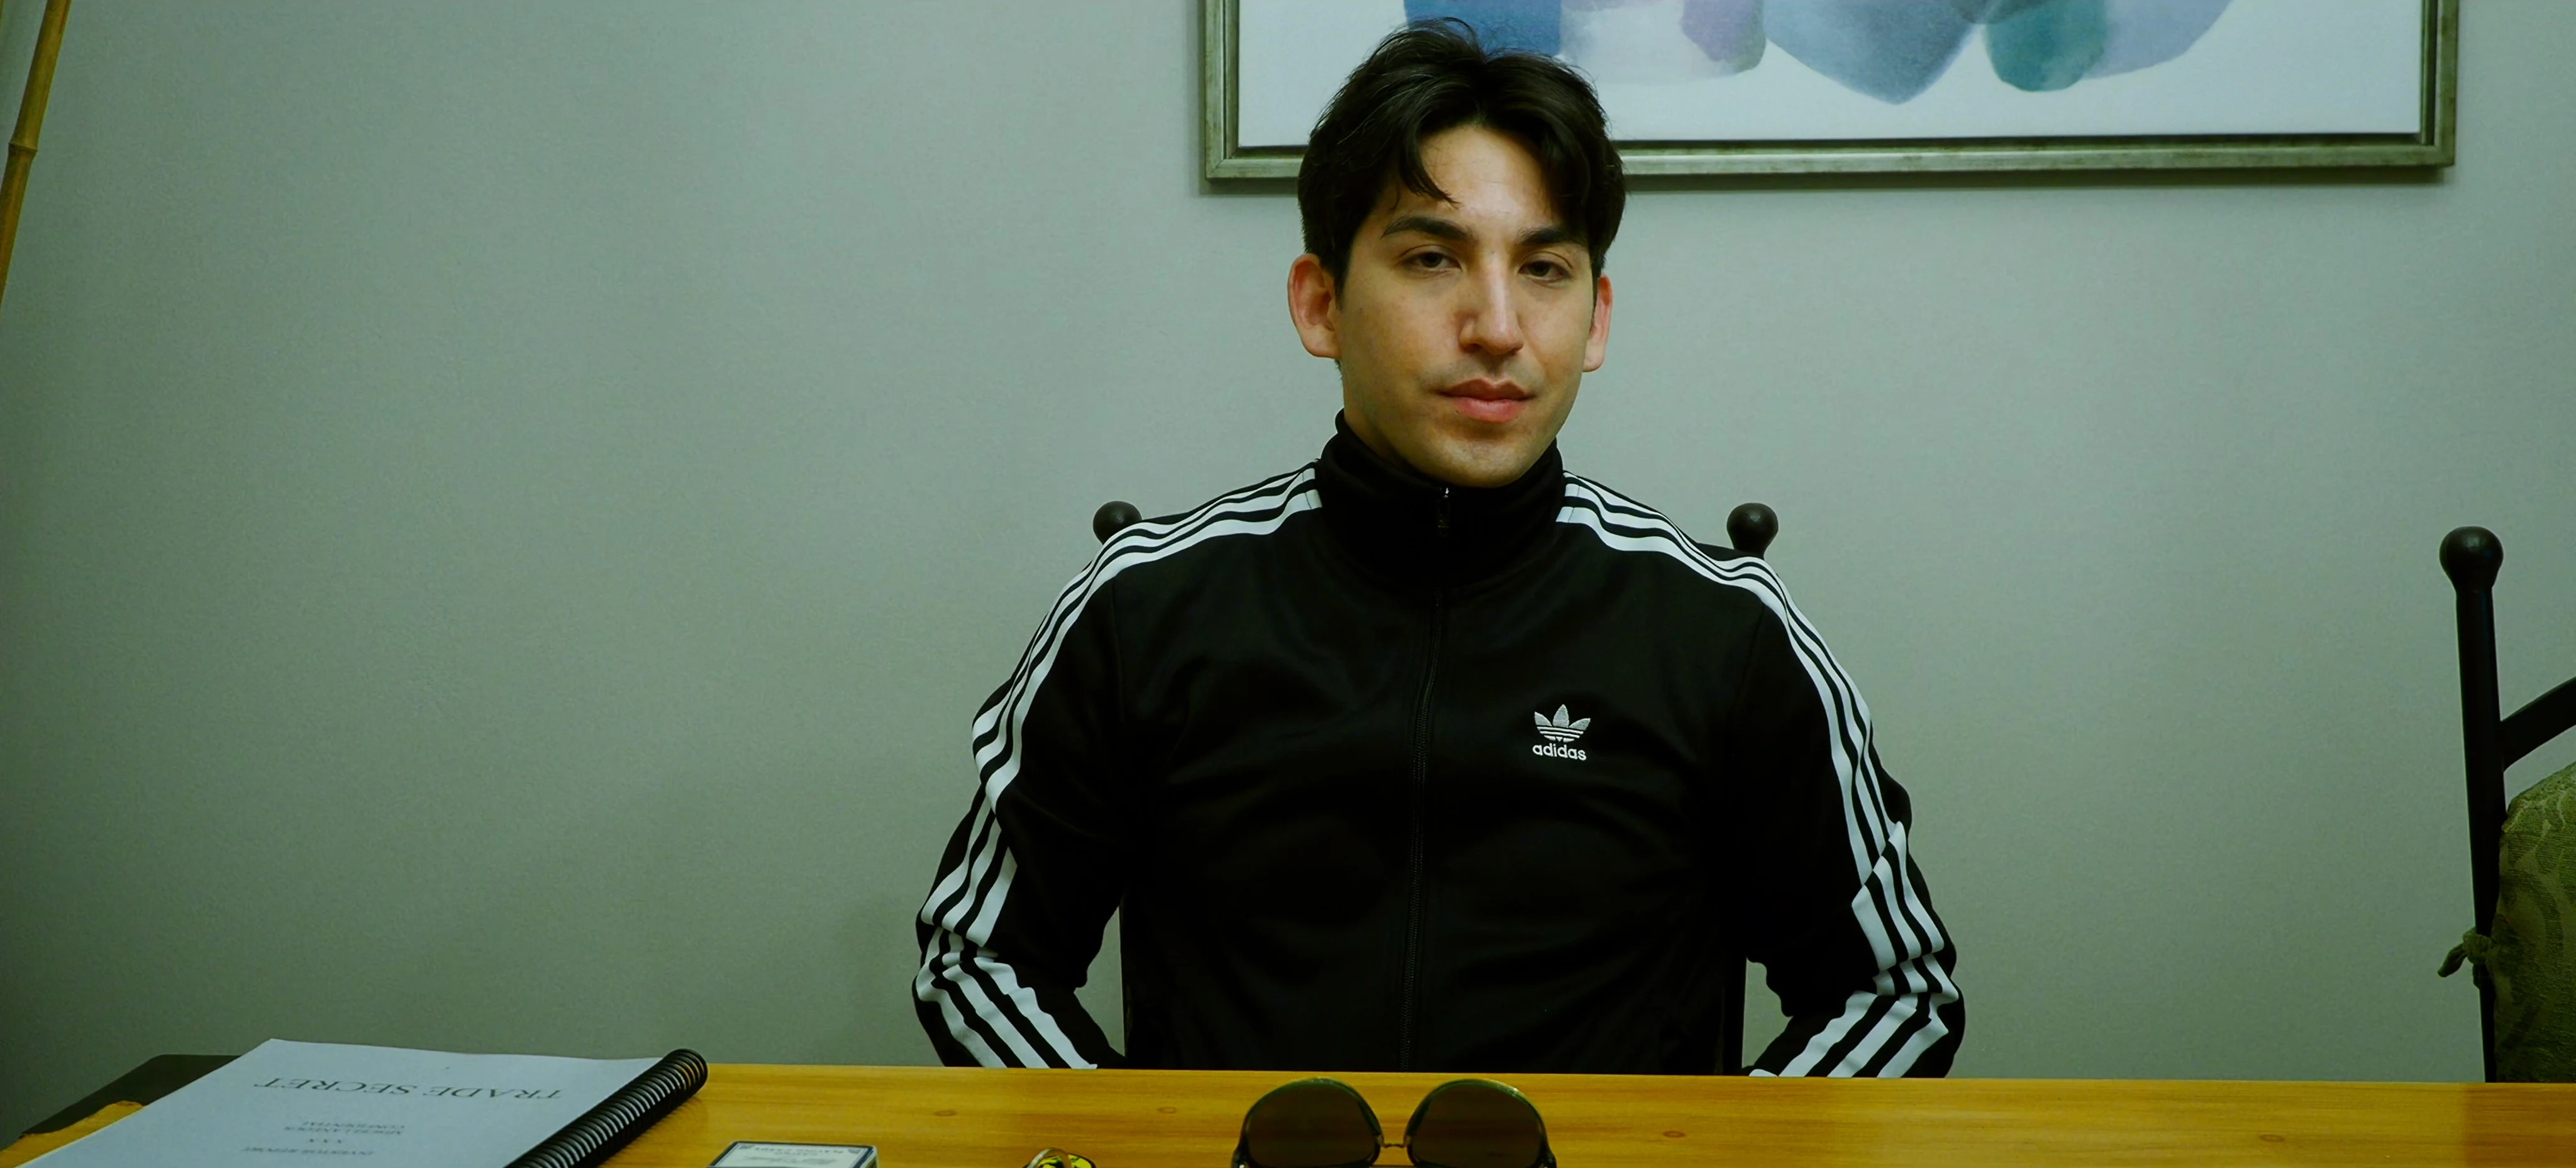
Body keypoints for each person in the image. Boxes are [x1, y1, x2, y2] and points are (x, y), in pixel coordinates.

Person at [913, 20, 1962, 1076]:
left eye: (1544, 268)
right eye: (1431, 258)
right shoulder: (1145, 609)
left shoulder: (1725, 633)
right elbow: (977, 960)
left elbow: (1896, 993)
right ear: (1320, 303)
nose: (1498, 326)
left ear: (1596, 321)